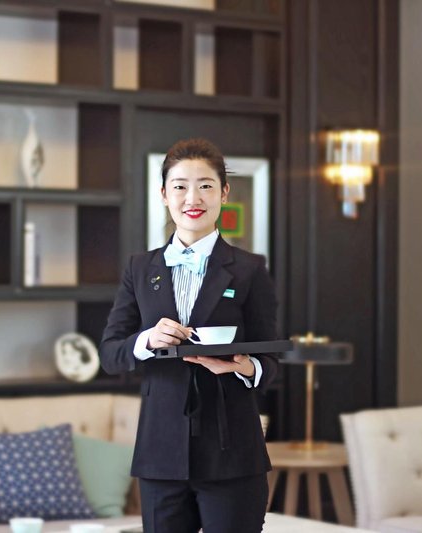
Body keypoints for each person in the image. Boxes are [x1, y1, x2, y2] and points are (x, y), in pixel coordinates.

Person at [100, 138, 279, 533]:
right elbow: (111, 353)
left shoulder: (250, 269)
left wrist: (244, 366)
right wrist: (147, 340)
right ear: (164, 194)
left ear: (224, 193)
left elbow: (271, 360)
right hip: (160, 453)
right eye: (180, 186)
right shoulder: (139, 269)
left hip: (232, 452)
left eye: (205, 186)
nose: (192, 198)